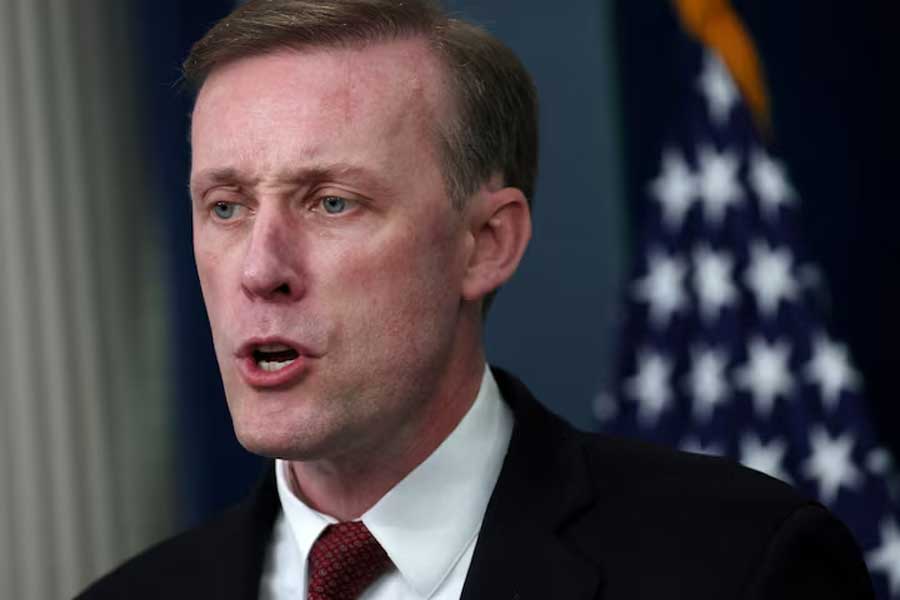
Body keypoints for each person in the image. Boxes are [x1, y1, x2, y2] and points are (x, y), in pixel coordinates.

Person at [78, 1, 874, 598]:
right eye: (227, 206)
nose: (260, 270)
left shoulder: (743, 566)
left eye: (331, 202)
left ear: (486, 243)